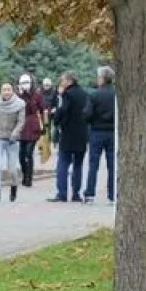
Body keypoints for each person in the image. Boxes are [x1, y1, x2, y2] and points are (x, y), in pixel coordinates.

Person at [47, 71, 89, 203]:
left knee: (63, 163)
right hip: (82, 133)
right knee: (78, 164)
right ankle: (76, 193)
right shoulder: (84, 94)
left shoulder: (67, 94)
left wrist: (57, 120)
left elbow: (63, 110)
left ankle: (62, 193)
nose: (61, 83)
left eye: (63, 80)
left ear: (69, 81)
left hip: (68, 133)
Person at [83, 66, 117, 204]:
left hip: (97, 131)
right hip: (112, 132)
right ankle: (112, 194)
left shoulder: (94, 95)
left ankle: (90, 194)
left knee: (93, 164)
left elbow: (87, 113)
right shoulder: (116, 95)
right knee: (112, 165)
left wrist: (90, 120)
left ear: (102, 78)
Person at [0, 82, 26, 203]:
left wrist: (15, 134)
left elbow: (21, 122)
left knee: (12, 169)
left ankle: (14, 187)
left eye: (8, 89)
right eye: (4, 90)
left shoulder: (20, 104)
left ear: (12, 91)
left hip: (12, 141)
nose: (6, 92)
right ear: (1, 91)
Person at [17, 73, 45, 187]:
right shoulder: (18, 96)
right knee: (21, 154)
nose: (25, 85)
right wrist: (20, 94)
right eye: (23, 83)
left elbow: (43, 108)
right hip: (22, 126)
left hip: (33, 126)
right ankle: (24, 174)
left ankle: (29, 178)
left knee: (29, 153)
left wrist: (44, 125)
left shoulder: (37, 95)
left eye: (27, 82)